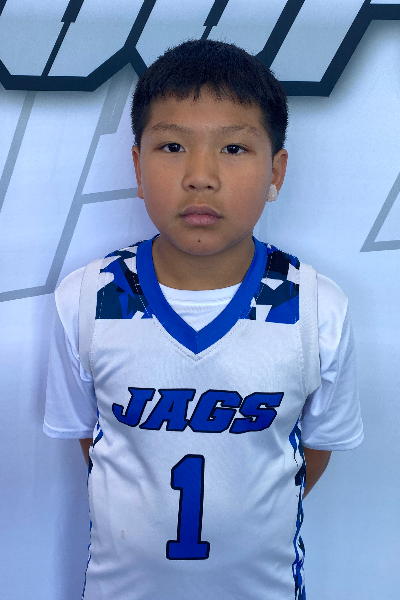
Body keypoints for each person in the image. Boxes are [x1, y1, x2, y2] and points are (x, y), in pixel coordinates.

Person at [44, 40, 363, 600]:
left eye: (234, 148)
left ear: (276, 170)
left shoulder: (317, 307)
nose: (200, 176)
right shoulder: (87, 298)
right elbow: (94, 442)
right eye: (172, 146)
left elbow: (313, 451)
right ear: (137, 166)